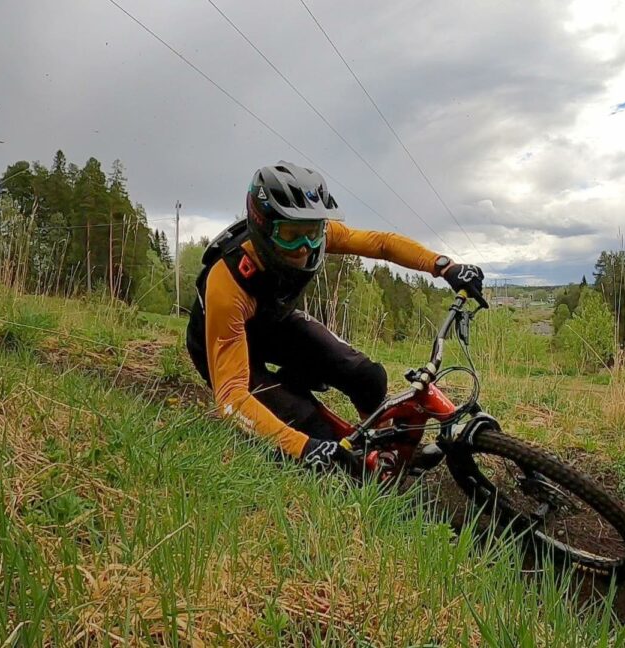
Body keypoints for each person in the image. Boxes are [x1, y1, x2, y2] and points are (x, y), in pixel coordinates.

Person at [186, 162, 484, 472]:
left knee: (367, 376)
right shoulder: (228, 281)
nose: (305, 247)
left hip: (274, 323)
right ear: (263, 227)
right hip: (220, 342)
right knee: (314, 430)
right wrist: (305, 447)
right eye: (291, 235)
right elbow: (231, 396)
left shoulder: (316, 235)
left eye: (313, 233)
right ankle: (338, 455)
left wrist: (443, 266)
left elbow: (380, 244)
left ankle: (382, 445)